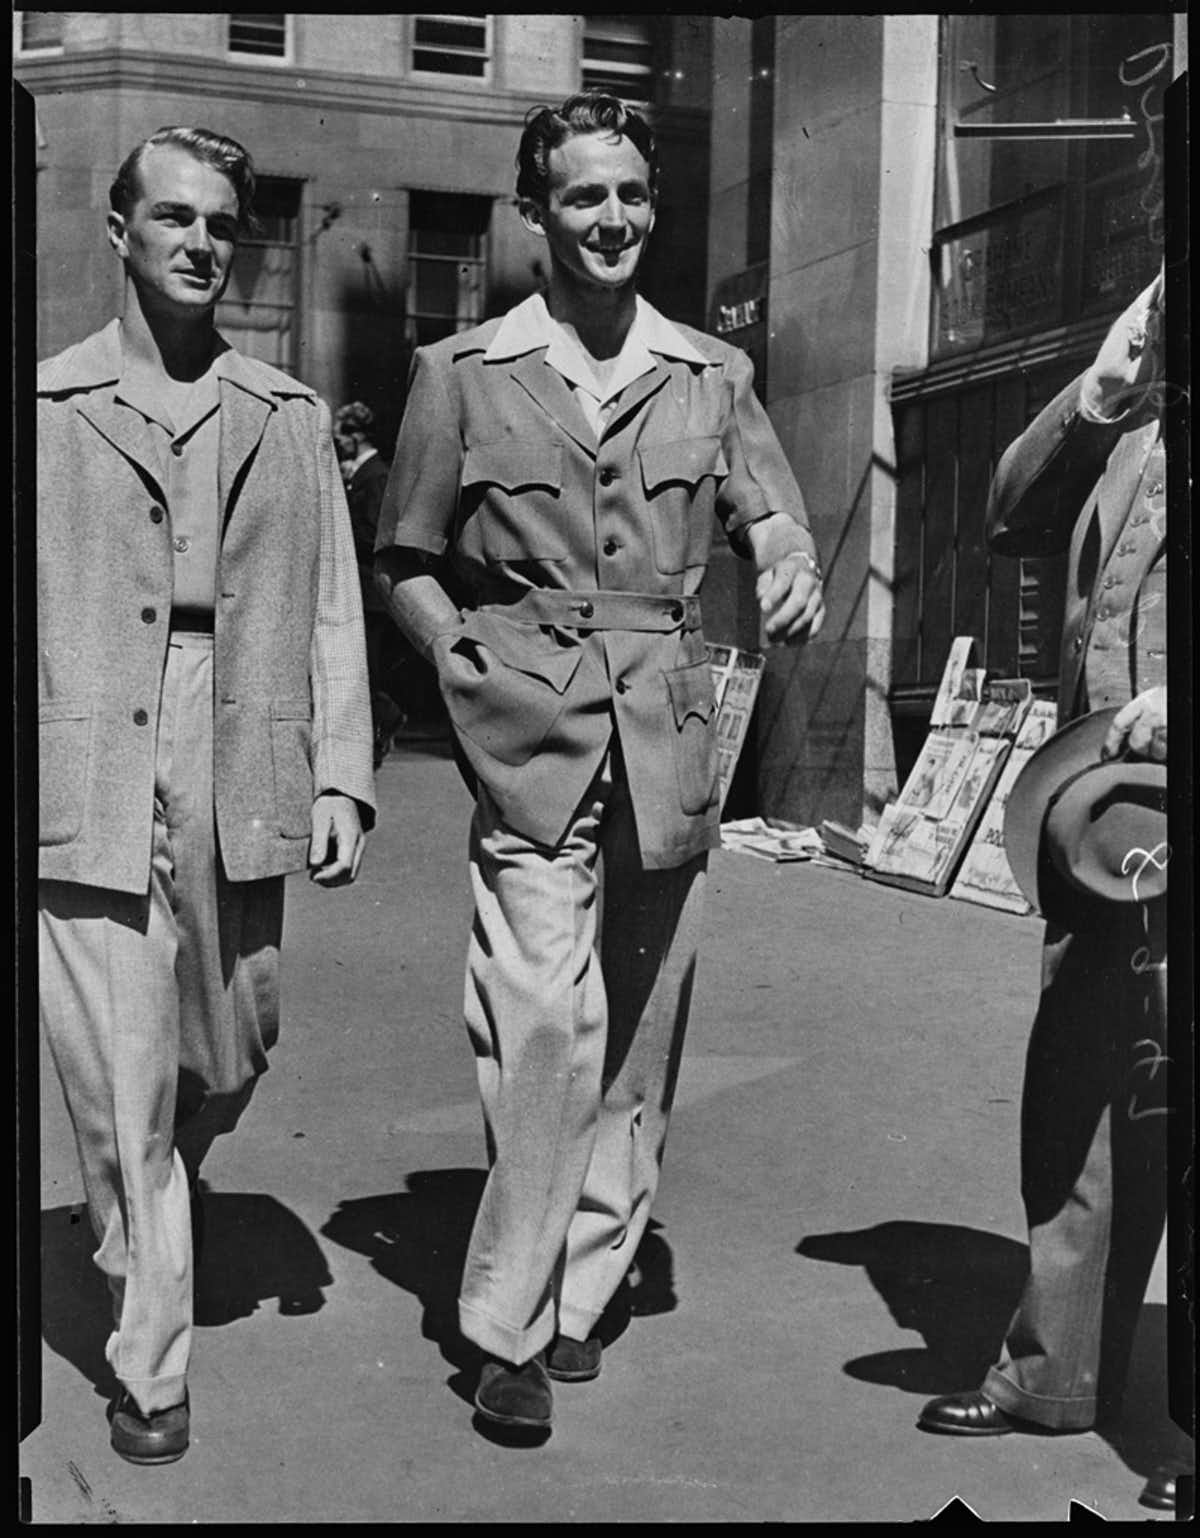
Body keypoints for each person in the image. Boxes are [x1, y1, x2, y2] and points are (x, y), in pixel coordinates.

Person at [374, 92, 825, 1435]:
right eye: (583, 195)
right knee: (544, 1026)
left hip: (668, 735)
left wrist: (792, 561)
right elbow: (404, 556)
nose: (613, 218)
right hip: (529, 731)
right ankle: (506, 1327)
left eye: (630, 193)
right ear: (536, 212)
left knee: (637, 1032)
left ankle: (583, 1291)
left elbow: (771, 514)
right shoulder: (463, 371)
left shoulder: (710, 373)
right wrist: (462, 654)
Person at [37, 126, 375, 1465]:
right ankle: (152, 1361)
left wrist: (341, 768)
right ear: (119, 231)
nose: (199, 242)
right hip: (86, 746)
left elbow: (334, 605)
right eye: (173, 217)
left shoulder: (285, 415)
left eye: (221, 224)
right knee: (122, 1066)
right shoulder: (45, 405)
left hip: (238, 740)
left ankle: (143, 1187)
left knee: (232, 1044)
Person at [916, 271, 1188, 1508]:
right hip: (1108, 826)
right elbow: (1014, 514)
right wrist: (1103, 383)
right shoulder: (1141, 420)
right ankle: (1053, 1369)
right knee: (1081, 1089)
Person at [333, 400, 406, 766]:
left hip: (369, 591)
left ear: (356, 436)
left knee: (367, 669)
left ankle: (383, 722)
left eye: (340, 438)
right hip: (362, 589)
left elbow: (377, 532)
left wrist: (341, 525)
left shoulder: (375, 475)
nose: (337, 444)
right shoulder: (364, 473)